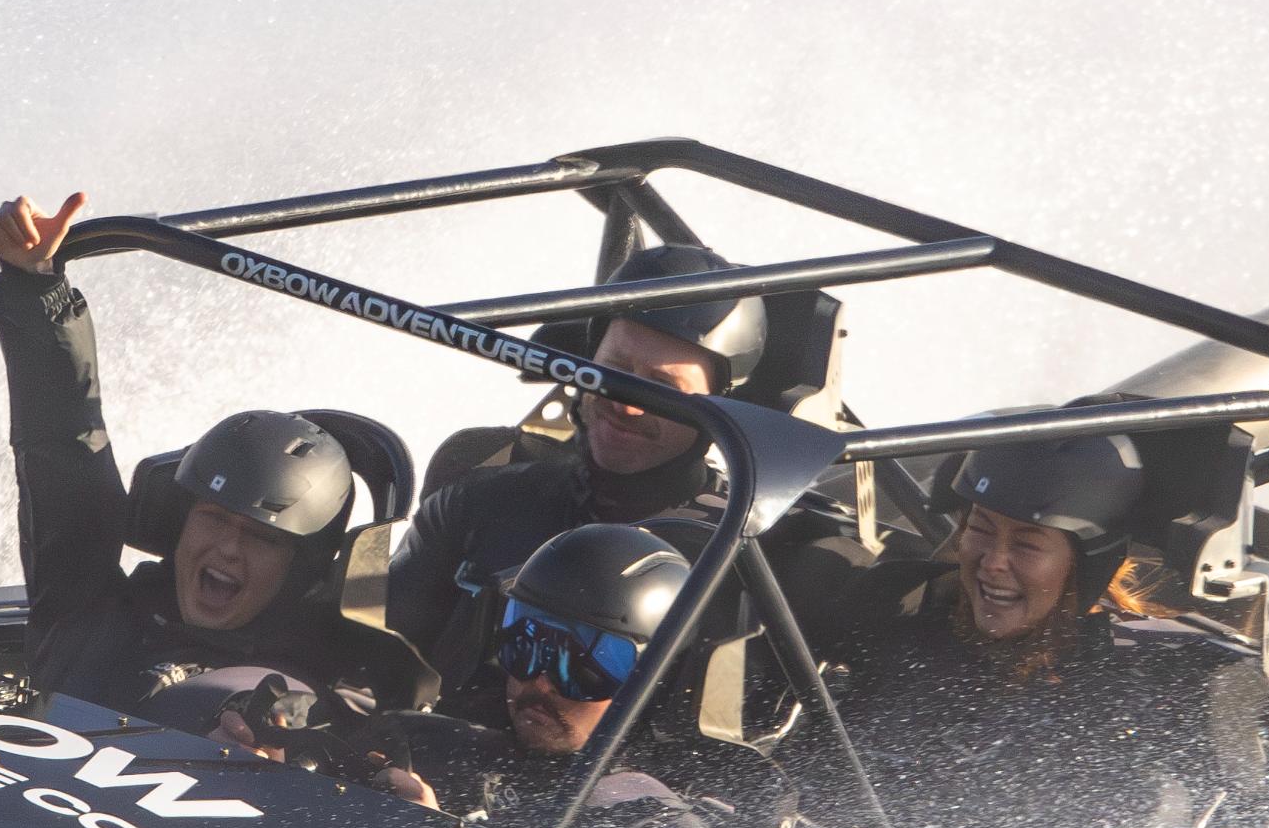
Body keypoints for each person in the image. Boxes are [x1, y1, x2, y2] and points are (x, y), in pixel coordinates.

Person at [0, 189, 432, 731]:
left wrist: (286, 746)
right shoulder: (86, 607)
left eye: (260, 536)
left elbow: (357, 751)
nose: (227, 548)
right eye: (213, 517)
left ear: (303, 565)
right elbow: (63, 449)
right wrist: (38, 282)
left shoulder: (331, 688)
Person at [384, 239, 899, 681]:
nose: (626, 403)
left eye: (661, 388)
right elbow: (374, 667)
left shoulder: (766, 565)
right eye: (615, 371)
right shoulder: (480, 499)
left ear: (721, 406)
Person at [830, 426, 1269, 828]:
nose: (994, 561)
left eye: (1026, 543)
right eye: (980, 529)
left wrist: (1248, 728)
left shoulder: (1164, 677)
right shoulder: (889, 619)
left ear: (1084, 565)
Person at [317, 522, 812, 828]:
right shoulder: (433, 742)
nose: (540, 683)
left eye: (582, 663)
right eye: (523, 643)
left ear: (654, 678)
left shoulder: (656, 821)